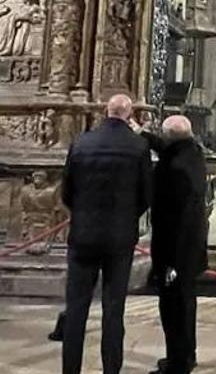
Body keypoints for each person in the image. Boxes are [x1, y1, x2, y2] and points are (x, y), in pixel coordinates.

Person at [60, 94, 152, 374]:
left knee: (76, 308)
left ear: (105, 111)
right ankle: (111, 370)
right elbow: (146, 195)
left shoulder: (81, 142)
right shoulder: (138, 146)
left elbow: (66, 191)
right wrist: (126, 218)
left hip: (83, 237)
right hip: (119, 239)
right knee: (114, 310)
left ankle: (70, 370)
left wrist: (83, 215)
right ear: (130, 114)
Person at [147, 115, 208, 374]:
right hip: (192, 249)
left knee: (172, 306)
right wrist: (145, 135)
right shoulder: (194, 155)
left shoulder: (171, 170)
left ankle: (177, 363)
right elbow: (171, 146)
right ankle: (187, 354)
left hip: (173, 253)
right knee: (186, 302)